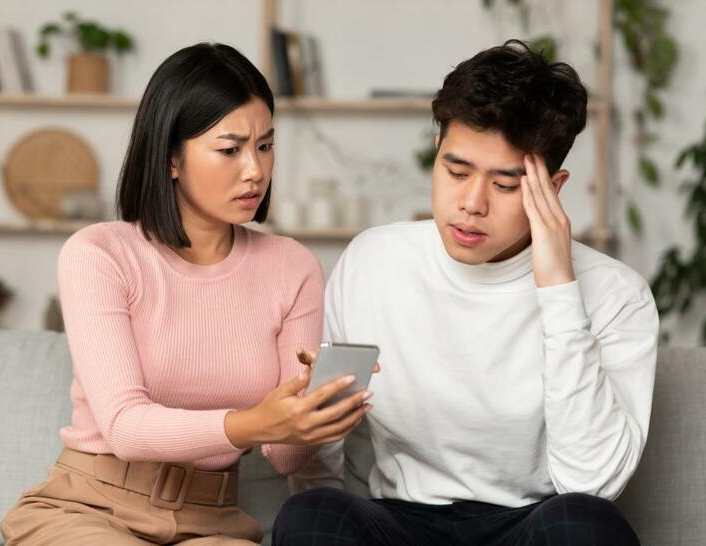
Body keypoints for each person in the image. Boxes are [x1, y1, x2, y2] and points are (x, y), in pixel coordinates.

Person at [273, 40, 657, 546]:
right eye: (456, 172)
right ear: (436, 154)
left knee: (586, 526)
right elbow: (321, 444)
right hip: (401, 521)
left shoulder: (616, 294)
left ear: (554, 187)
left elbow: (591, 483)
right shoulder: (373, 262)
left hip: (528, 524)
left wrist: (559, 289)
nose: (471, 204)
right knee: (311, 514)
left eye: (504, 185)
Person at [0, 42, 372, 546]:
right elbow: (125, 427)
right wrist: (251, 423)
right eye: (230, 148)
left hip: (213, 519)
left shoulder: (293, 267)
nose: (255, 171)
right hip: (90, 508)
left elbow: (285, 457)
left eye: (265, 145)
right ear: (172, 157)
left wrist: (315, 411)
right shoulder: (100, 254)